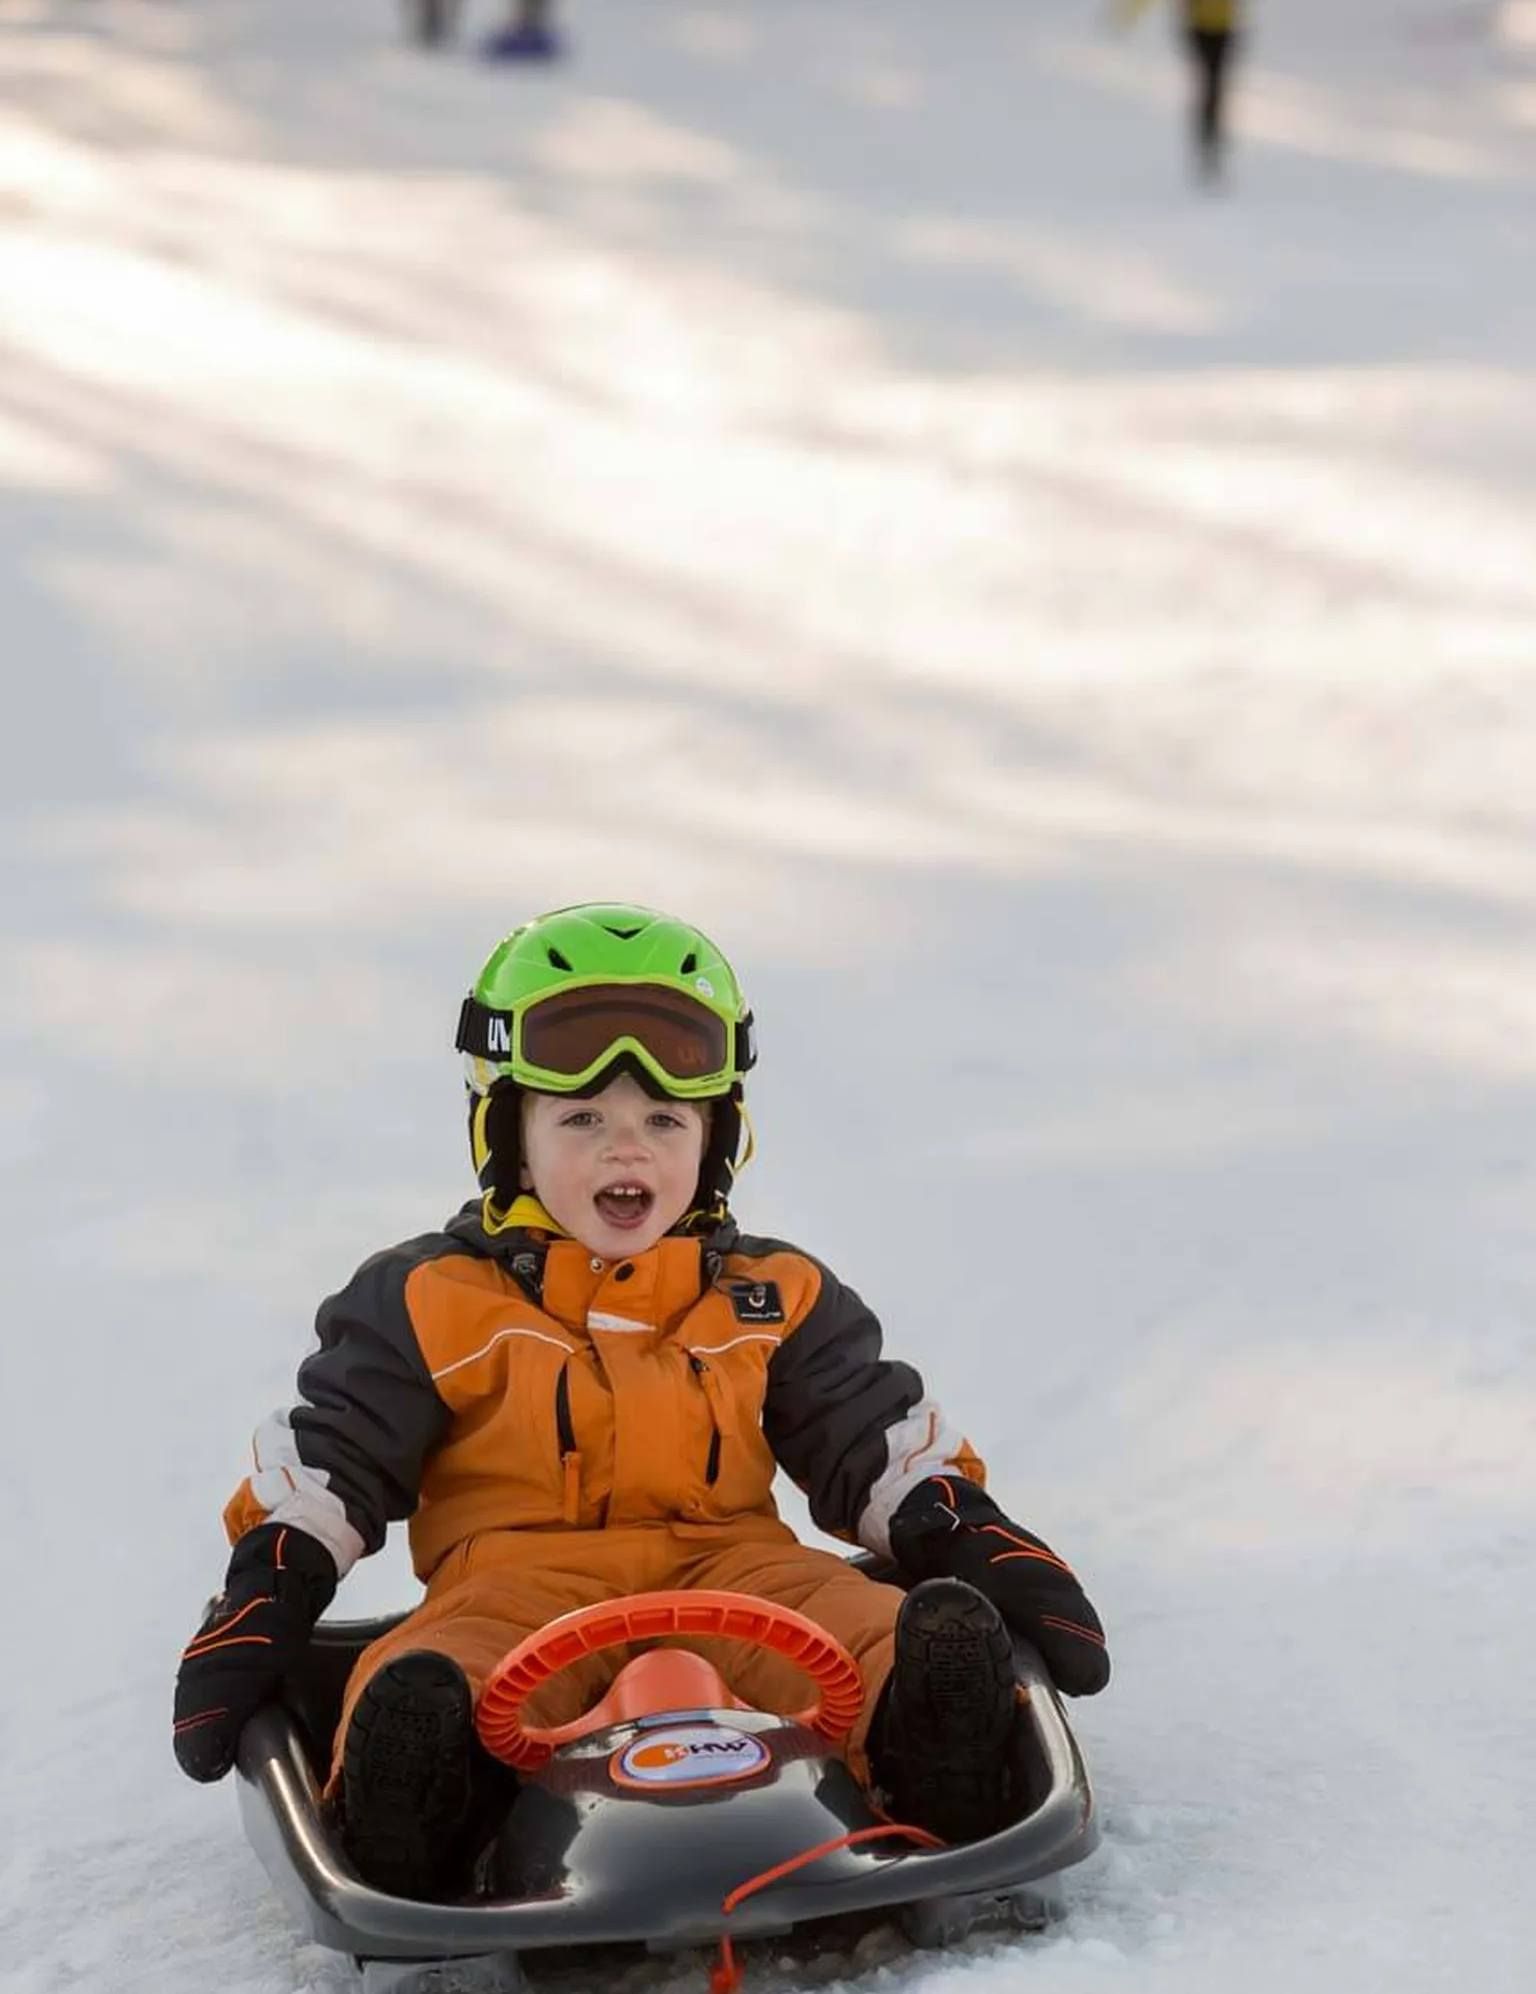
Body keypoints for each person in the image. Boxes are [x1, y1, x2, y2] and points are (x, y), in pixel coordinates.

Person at [173, 903, 1109, 1895]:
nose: (628, 1151)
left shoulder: (773, 1291)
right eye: (581, 1119)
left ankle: (943, 1753)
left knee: (870, 1625)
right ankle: (416, 1806)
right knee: (424, 1669)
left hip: (743, 1574)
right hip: (514, 1586)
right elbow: (335, 1460)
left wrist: (970, 1528)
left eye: (664, 1120)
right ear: (508, 1135)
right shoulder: (427, 1297)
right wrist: (272, 1583)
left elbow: (871, 1437)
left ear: (716, 1139)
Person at [1121, 0, 1245, 182]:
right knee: (1209, 86)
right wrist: (1127, 15)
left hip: (1225, 26)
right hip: (1198, 26)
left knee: (1214, 87)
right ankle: (1207, 142)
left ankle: (1210, 141)